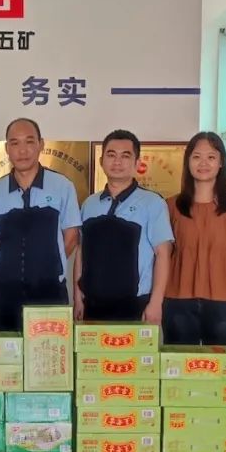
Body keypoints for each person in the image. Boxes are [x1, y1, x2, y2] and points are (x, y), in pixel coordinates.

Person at [163, 132, 226, 345]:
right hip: (179, 300)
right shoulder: (171, 206)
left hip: (225, 303)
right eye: (196, 157)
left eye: (211, 157)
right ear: (188, 161)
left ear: (221, 162)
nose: (203, 163)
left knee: (224, 363)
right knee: (180, 362)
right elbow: (163, 255)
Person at [0, 118, 81, 331]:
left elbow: (71, 236)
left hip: (50, 287)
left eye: (29, 141)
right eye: (15, 143)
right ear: (7, 148)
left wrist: (44, 263)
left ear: (41, 144)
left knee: (50, 346)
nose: (22, 150)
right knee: (9, 347)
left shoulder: (62, 186)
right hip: (6, 289)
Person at [74, 129, 173, 322]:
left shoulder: (153, 203)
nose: (117, 162)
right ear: (101, 161)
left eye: (125, 156)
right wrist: (78, 298)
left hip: (135, 304)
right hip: (92, 304)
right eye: (111, 155)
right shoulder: (89, 204)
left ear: (137, 163)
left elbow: (163, 254)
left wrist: (156, 303)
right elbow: (81, 252)